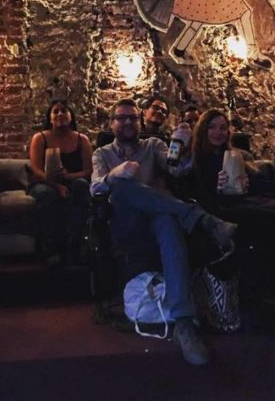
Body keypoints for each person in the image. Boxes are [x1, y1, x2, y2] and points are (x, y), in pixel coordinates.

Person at [91, 98, 236, 366]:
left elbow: (177, 169)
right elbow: (96, 187)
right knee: (122, 187)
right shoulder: (102, 153)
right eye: (121, 118)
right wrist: (115, 174)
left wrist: (182, 145)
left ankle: (183, 323)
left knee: (166, 220)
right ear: (112, 124)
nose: (127, 122)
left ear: (140, 122)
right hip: (128, 225)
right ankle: (201, 219)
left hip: (161, 218)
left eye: (132, 118)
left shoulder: (153, 145)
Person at [188, 109, 275, 320]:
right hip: (219, 211)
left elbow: (262, 183)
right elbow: (196, 193)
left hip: (242, 203)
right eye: (212, 127)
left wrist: (248, 183)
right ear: (202, 130)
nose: (218, 132)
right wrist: (217, 187)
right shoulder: (195, 158)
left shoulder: (234, 155)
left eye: (222, 127)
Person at [29, 100, 93, 266]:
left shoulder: (82, 140)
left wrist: (69, 176)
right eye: (55, 111)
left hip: (72, 180)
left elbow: (88, 171)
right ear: (50, 118)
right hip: (45, 182)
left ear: (71, 116)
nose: (60, 114)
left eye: (64, 110)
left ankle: (74, 246)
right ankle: (51, 250)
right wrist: (57, 186)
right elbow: (36, 170)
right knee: (45, 193)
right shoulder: (40, 138)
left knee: (81, 185)